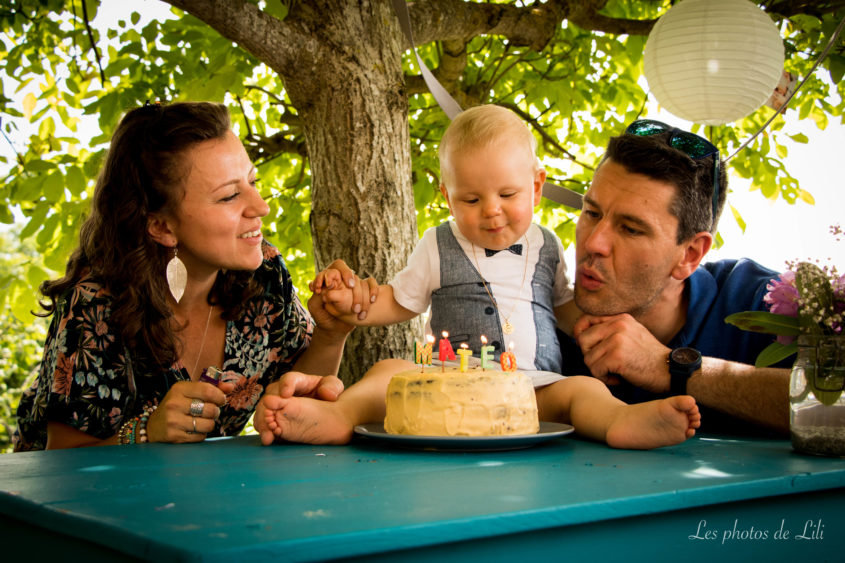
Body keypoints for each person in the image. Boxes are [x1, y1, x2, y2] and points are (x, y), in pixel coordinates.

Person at [255, 105, 701, 450]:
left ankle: (619, 421)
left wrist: (590, 328)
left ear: (537, 187)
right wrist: (355, 303)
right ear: (447, 197)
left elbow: (564, 305)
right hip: (444, 380)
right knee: (388, 371)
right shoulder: (437, 244)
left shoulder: (548, 245)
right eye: (471, 199)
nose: (491, 209)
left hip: (529, 387)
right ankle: (338, 416)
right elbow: (399, 301)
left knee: (583, 389)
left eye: (507, 194)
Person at [13, 101, 359, 451]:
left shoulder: (265, 275)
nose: (261, 207)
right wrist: (148, 431)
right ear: (162, 226)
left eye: (253, 181)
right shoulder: (96, 305)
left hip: (205, 497)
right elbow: (61, 461)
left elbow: (300, 393)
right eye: (228, 196)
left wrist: (331, 333)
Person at [563, 119, 790, 434]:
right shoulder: (540, 318)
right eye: (592, 214)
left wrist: (672, 368)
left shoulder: (763, 302)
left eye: (630, 228)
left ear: (690, 254)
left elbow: (835, 402)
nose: (592, 243)